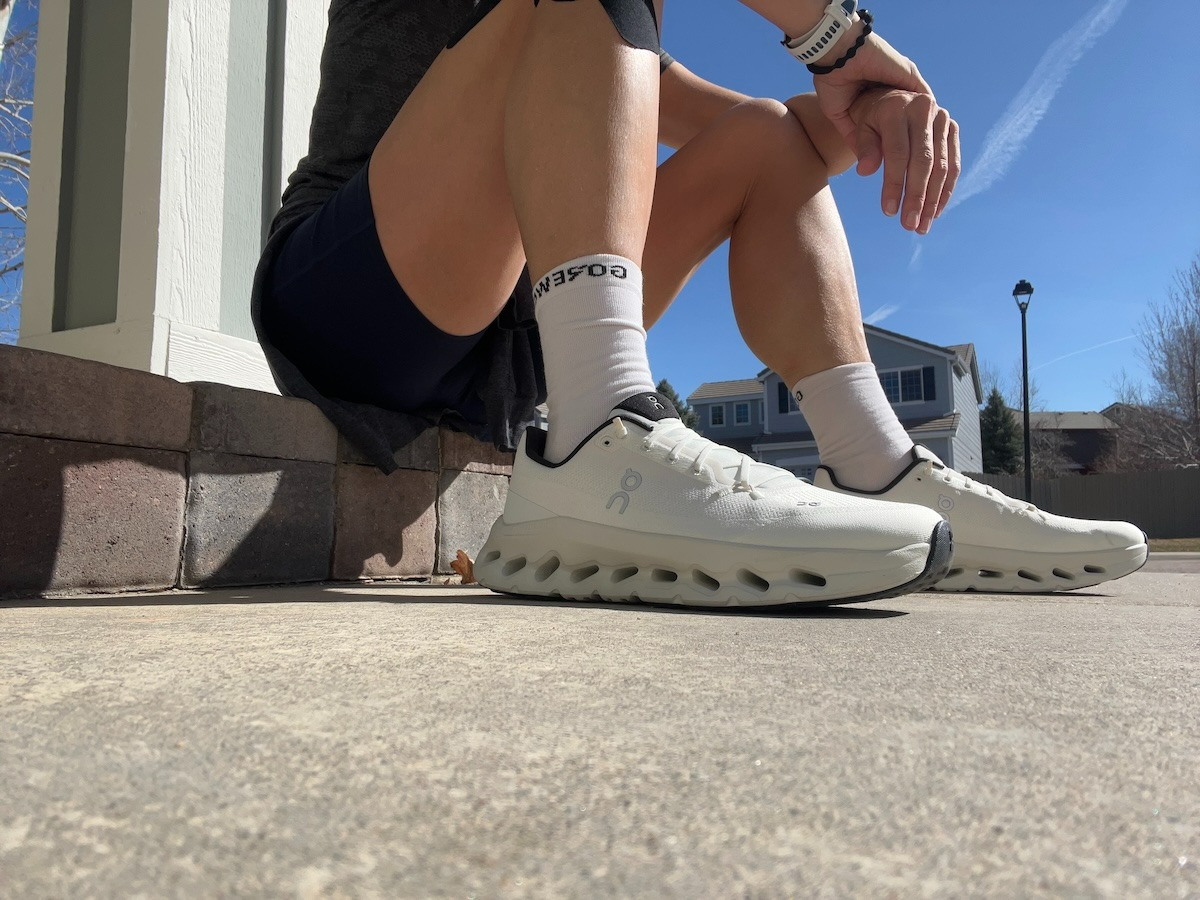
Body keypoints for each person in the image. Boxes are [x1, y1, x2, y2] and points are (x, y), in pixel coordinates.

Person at [252, 0, 1146, 607]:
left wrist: (869, 107)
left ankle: (875, 464)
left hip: (510, 338)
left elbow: (781, 134)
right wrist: (836, 36)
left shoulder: (582, 24)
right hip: (352, 299)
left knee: (767, 133)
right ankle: (599, 433)